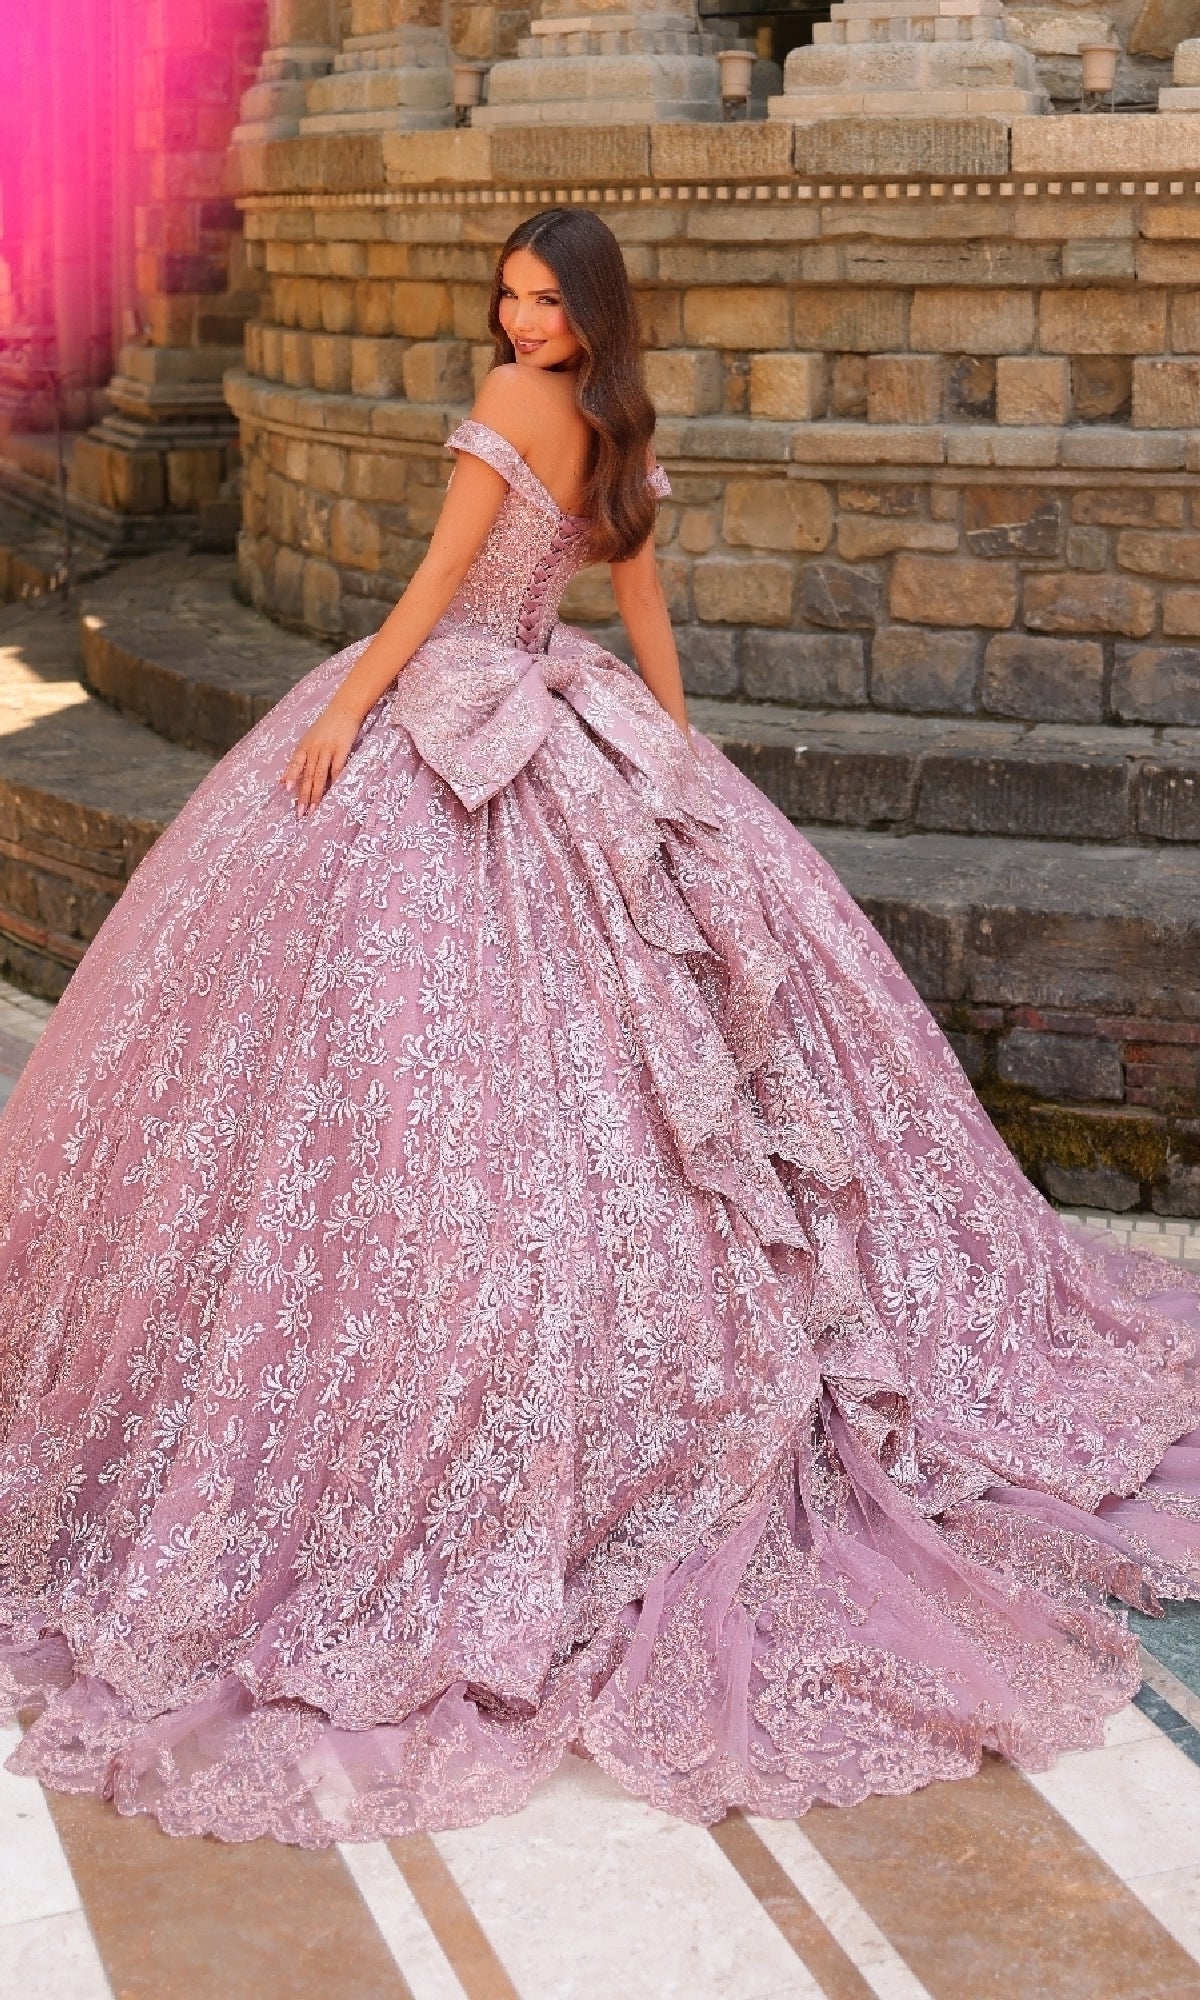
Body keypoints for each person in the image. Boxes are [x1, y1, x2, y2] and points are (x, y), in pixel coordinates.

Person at [1, 207, 1198, 1850]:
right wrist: (679, 761)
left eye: (547, 301)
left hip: (468, 708)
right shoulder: (624, 424)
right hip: (551, 719)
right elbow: (639, 602)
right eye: (511, 298)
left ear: (589, 313)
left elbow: (441, 582)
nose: (522, 321)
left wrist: (353, 704)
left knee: (440, 1064)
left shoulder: (517, 408)